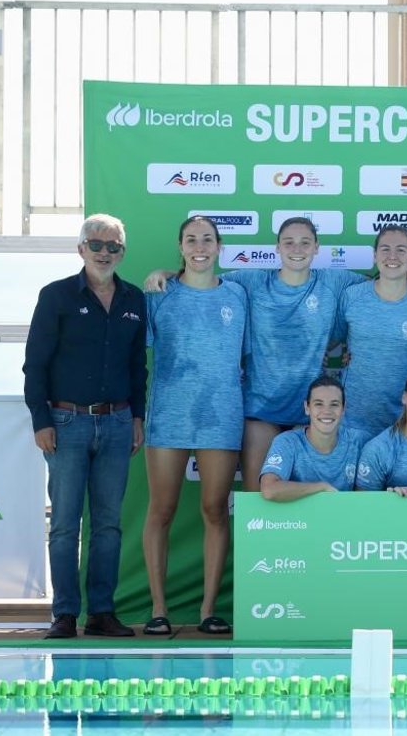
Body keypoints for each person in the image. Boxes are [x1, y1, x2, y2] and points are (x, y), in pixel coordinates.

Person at [144, 216, 407, 491]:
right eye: (289, 242)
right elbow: (202, 274)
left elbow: (388, 278)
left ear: (316, 248)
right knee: (259, 498)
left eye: (305, 242)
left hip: (311, 414)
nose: (297, 249)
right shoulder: (253, 281)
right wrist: (166, 273)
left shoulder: (334, 282)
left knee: (308, 503)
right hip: (262, 412)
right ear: (277, 248)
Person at [23, 213, 146, 639]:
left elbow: (137, 365)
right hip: (65, 423)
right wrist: (41, 420)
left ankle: (101, 613)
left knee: (108, 524)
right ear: (81, 249)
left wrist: (137, 416)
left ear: (122, 253)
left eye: (113, 246)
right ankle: (64, 614)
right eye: (96, 244)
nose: (104, 252)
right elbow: (34, 364)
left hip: (117, 422)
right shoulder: (55, 295)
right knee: (64, 524)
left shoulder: (134, 299)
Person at [142, 216, 247, 637]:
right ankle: (158, 609)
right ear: (180, 246)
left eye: (207, 240)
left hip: (221, 416)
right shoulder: (158, 294)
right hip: (168, 415)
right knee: (161, 510)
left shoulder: (238, 294)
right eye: (191, 240)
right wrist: (166, 274)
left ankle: (208, 610)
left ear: (219, 247)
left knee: (215, 510)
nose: (199, 247)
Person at [335, 224, 407, 436]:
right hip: (352, 422)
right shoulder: (352, 296)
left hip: (406, 424)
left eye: (401, 250)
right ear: (374, 255)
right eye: (385, 249)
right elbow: (332, 343)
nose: (392, 256)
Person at [259, 375, 369, 501]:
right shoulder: (287, 442)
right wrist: (320, 487)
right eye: (318, 404)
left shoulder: (359, 440)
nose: (326, 411)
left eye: (334, 404)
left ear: (343, 409)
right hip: (299, 514)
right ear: (307, 407)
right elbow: (269, 489)